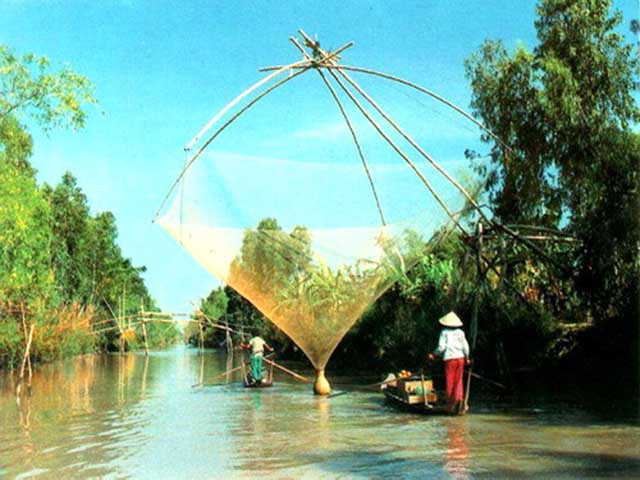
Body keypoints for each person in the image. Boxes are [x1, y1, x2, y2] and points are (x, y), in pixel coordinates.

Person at [428, 311, 470, 413]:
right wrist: (467, 358)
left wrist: (433, 354)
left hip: (450, 359)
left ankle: (451, 404)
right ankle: (459, 400)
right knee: (458, 380)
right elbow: (466, 347)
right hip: (460, 358)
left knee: (450, 381)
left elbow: (441, 347)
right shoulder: (461, 332)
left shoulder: (444, 332)